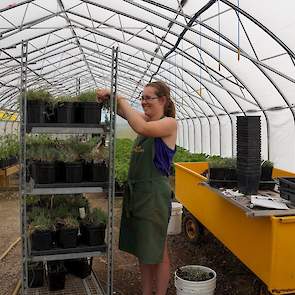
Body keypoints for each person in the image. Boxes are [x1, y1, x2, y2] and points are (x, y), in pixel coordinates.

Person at [97, 81, 177, 295]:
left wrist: (121, 98)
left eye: (147, 98)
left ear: (162, 100)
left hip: (153, 197)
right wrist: (110, 97)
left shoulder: (168, 124)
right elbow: (127, 114)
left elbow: (140, 127)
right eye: (141, 97)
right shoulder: (146, 119)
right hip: (140, 195)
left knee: (158, 250)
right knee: (144, 248)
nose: (143, 102)